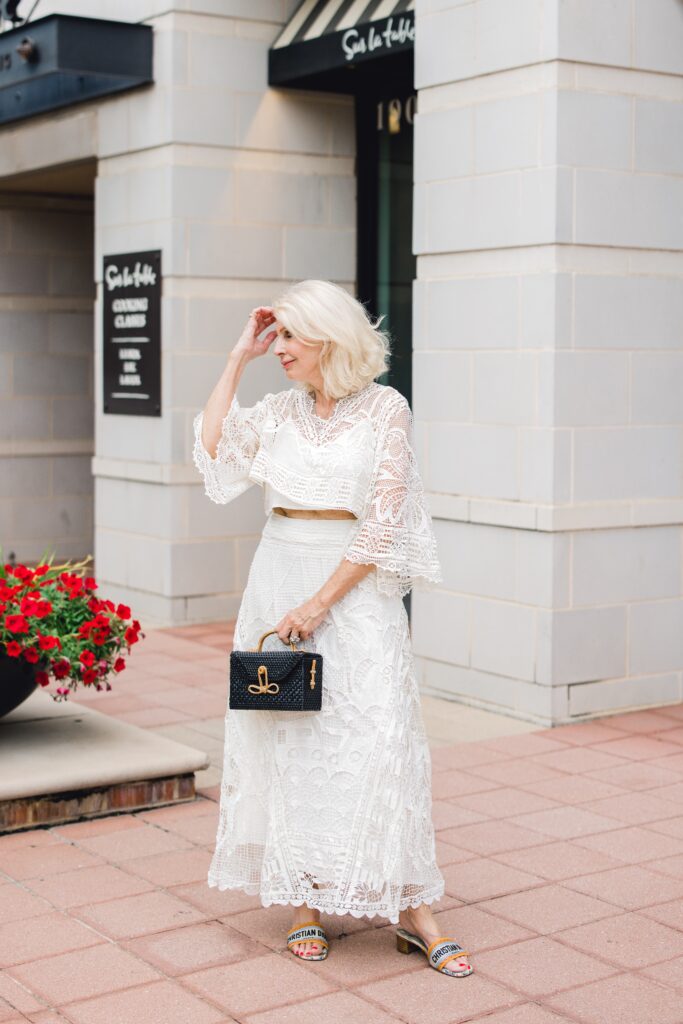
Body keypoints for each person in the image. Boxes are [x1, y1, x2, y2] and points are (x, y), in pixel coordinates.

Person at [192, 279, 473, 978]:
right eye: (274, 335)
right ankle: (304, 899)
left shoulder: (385, 408)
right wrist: (236, 359)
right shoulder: (279, 410)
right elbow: (214, 449)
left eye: (289, 336)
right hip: (276, 578)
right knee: (288, 739)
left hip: (351, 590)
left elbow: (384, 519)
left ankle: (411, 908)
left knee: (379, 738)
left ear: (328, 338)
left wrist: (320, 603)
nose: (279, 348)